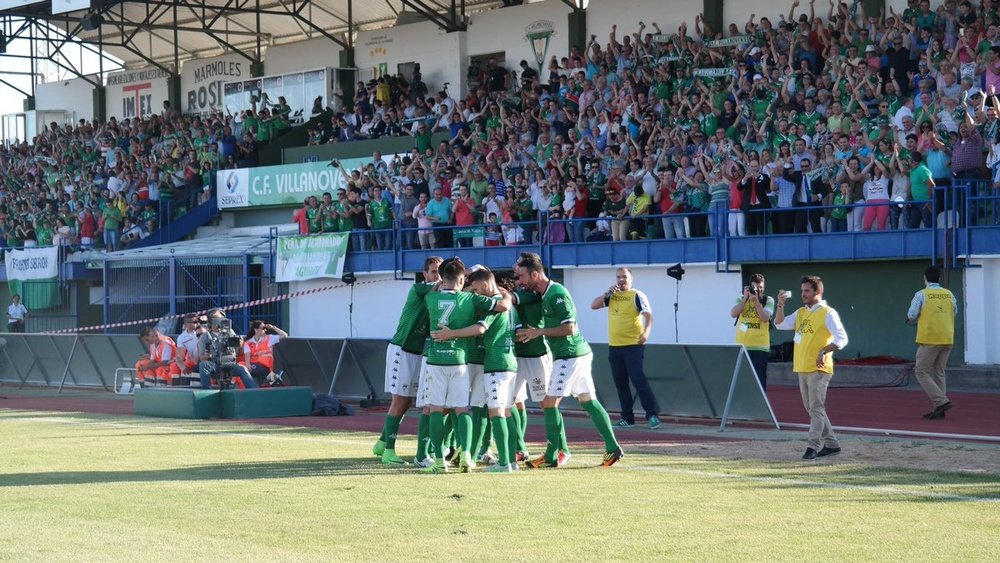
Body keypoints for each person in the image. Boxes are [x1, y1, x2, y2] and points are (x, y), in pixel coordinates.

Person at [515, 252, 623, 468]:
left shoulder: (556, 294)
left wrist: (539, 332)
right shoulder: (546, 294)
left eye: (523, 276)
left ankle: (552, 454)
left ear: (535, 274)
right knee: (588, 401)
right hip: (576, 354)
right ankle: (613, 448)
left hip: (570, 356)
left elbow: (569, 328)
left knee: (549, 403)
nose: (521, 281)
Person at [419, 257, 511, 474]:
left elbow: (435, 289)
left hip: (435, 361)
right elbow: (502, 305)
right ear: (462, 280)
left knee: (435, 409)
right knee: (462, 409)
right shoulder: (470, 299)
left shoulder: (431, 299)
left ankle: (440, 460)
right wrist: (504, 292)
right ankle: (467, 458)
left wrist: (442, 281)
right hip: (460, 361)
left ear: (442, 279)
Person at [373, 256, 443, 466]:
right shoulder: (420, 289)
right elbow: (440, 288)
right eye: (433, 271)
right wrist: (457, 276)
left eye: (441, 272)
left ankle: (382, 442)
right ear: (425, 274)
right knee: (400, 401)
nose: (437, 276)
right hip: (402, 349)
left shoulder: (439, 293)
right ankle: (389, 452)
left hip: (416, 352)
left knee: (407, 401)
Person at [774, 276, 849, 461]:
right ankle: (832, 444)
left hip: (818, 369)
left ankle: (812, 446)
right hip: (802, 367)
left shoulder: (828, 313)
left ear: (818, 292)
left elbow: (842, 339)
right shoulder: (801, 312)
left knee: (816, 408)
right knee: (813, 408)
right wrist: (780, 305)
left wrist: (824, 351)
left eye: (807, 291)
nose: (803, 294)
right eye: (802, 291)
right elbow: (779, 324)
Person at [590, 267, 660, 428]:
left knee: (638, 379)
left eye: (624, 277)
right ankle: (627, 417)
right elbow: (593, 305)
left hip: (633, 345)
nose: (621, 280)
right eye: (618, 277)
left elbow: (648, 316)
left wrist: (646, 334)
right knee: (620, 382)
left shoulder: (637, 295)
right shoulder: (612, 296)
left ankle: (652, 415)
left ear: (631, 279)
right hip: (615, 346)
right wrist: (607, 294)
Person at [906, 266, 957, 420]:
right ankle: (938, 409)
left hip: (930, 338)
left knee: (920, 371)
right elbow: (954, 311)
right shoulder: (949, 294)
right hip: (947, 338)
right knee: (939, 373)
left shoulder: (922, 294)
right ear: (939, 278)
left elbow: (912, 314)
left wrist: (911, 319)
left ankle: (941, 401)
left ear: (925, 278)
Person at [729, 274, 775, 390]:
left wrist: (756, 302)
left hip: (760, 347)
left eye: (760, 287)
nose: (758, 290)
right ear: (749, 286)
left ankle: (760, 406)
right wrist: (745, 299)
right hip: (742, 345)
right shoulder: (741, 298)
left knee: (759, 381)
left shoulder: (768, 300)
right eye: (755, 287)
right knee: (742, 380)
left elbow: (765, 318)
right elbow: (733, 313)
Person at [197, 308, 257, 390]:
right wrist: (208, 355)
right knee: (203, 365)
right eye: (216, 319)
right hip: (215, 365)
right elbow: (201, 357)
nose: (219, 321)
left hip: (229, 364)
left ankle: (253, 391)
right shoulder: (205, 337)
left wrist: (239, 345)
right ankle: (206, 391)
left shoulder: (230, 332)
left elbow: (239, 352)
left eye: (221, 318)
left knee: (242, 369)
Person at [242, 320, 289, 385]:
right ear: (256, 330)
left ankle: (273, 377)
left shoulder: (269, 338)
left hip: (266, 367)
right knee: (241, 366)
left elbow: (285, 335)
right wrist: (247, 366)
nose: (265, 330)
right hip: (254, 366)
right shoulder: (248, 343)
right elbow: (247, 356)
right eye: (263, 328)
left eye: (265, 328)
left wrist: (273, 327)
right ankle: (273, 378)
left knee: (248, 368)